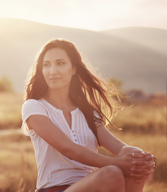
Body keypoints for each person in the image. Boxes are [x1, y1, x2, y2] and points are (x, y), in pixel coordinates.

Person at [21, 39, 156, 192]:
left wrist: (143, 160)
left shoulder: (87, 112)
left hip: (93, 185)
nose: (52, 71)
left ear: (73, 69)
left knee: (134, 153)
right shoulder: (34, 106)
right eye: (47, 65)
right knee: (112, 173)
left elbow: (118, 147)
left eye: (60, 63)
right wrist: (119, 164)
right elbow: (68, 149)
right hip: (55, 189)